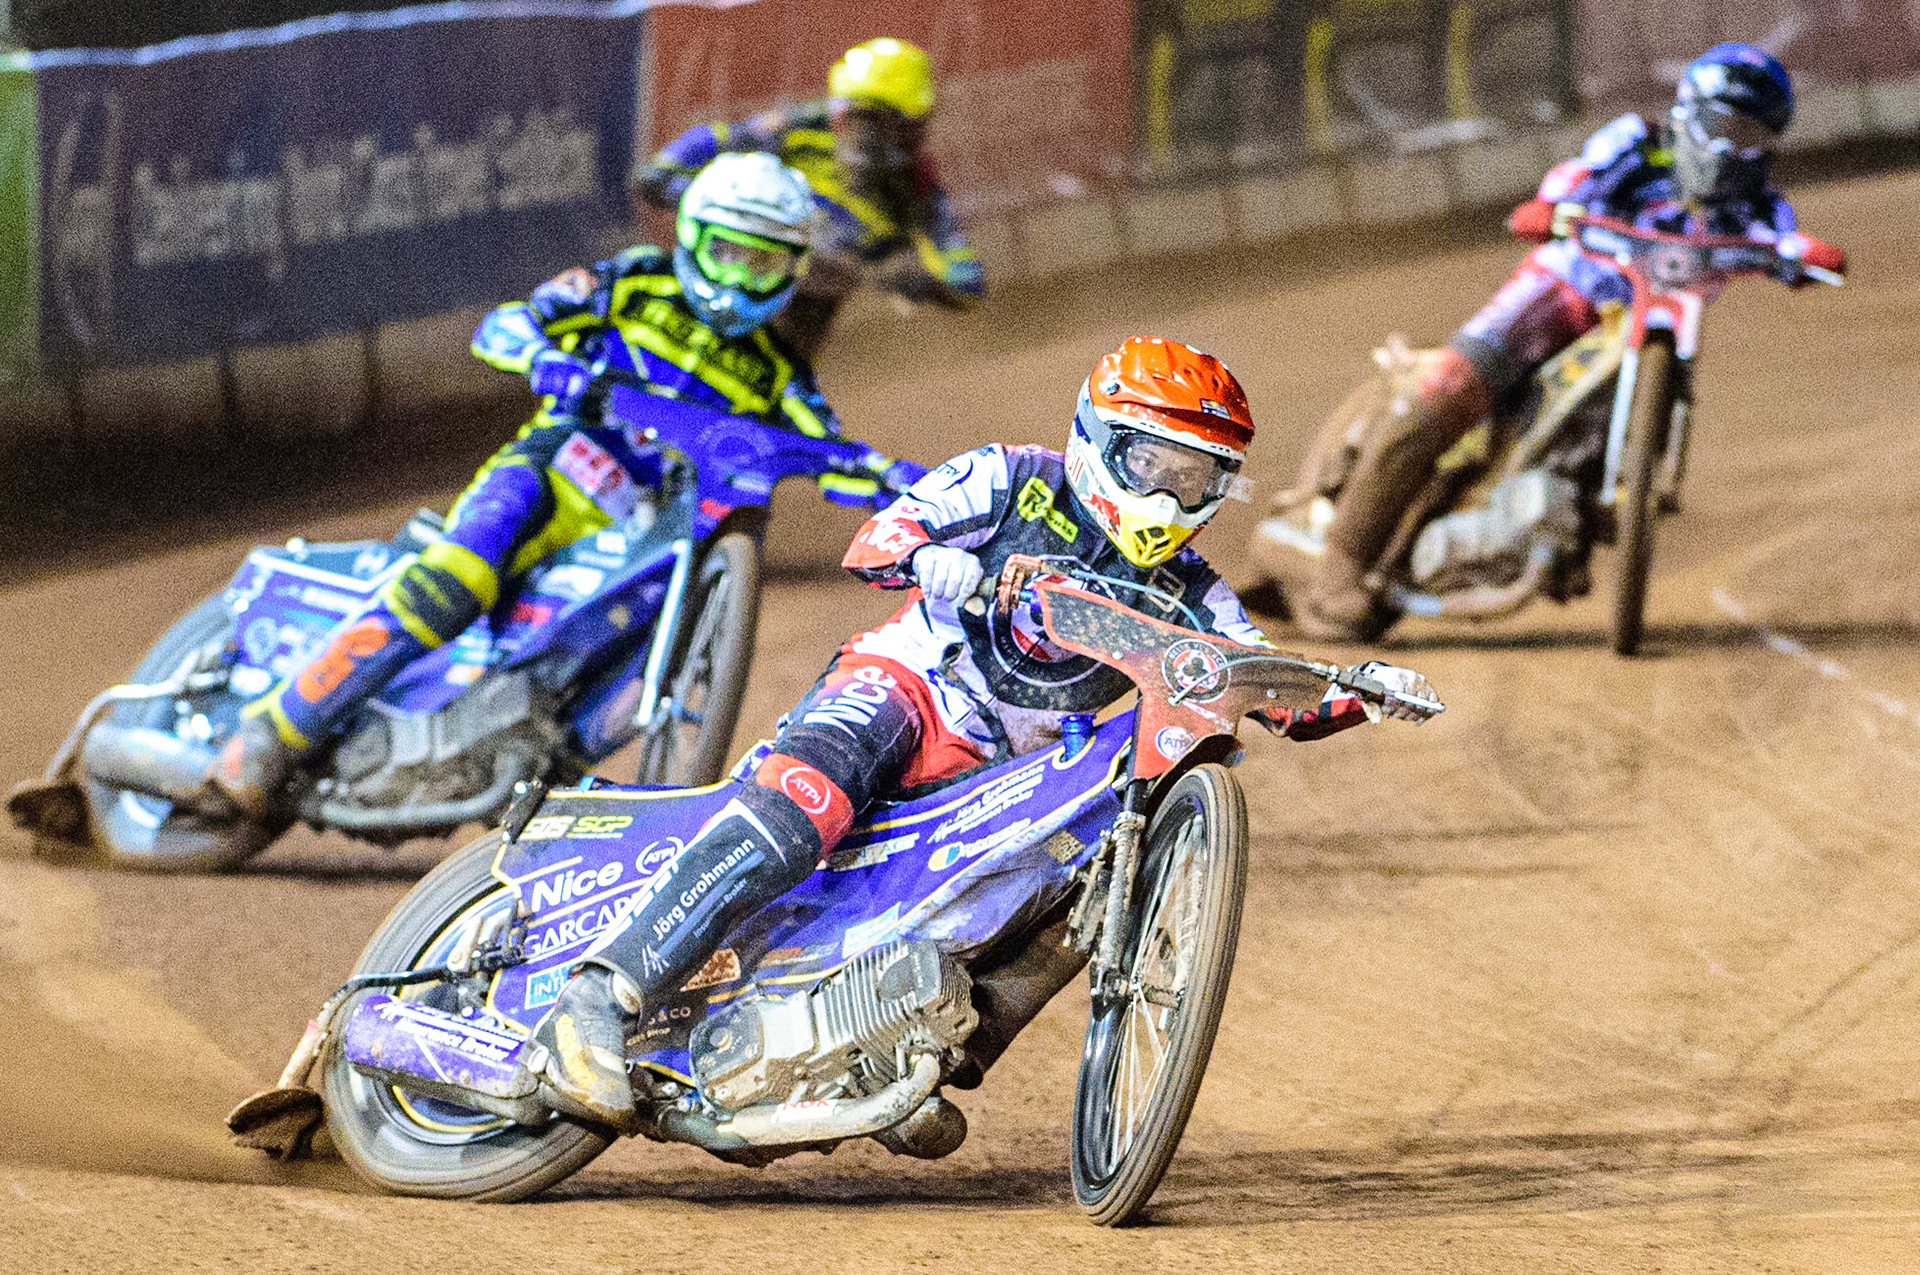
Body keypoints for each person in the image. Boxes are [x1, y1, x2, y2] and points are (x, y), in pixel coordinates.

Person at [518, 335, 1438, 1126]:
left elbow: (1263, 685)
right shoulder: (1013, 477)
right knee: (813, 799)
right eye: (1151, 465)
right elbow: (878, 538)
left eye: (1194, 476)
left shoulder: (1193, 589)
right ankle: (598, 995)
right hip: (909, 688)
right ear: (1098, 440)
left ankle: (918, 1061)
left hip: (1005, 779)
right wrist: (933, 559)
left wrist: (1360, 688)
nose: (1167, 495)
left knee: (1087, 885)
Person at [204, 153, 834, 815]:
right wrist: (544, 356)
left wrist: (892, 482)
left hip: (651, 532)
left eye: (761, 262)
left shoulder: (778, 372)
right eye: (729, 251)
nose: (739, 277)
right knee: (459, 579)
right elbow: (508, 322)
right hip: (555, 473)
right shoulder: (632, 283)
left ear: (791, 270)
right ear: (694, 237)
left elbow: (830, 442)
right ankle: (274, 729)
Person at [1287, 42, 1830, 637]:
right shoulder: (1638, 142)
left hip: (1650, 328)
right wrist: (1553, 204)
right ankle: (1339, 567)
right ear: (1687, 114)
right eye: (1720, 125)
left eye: (1750, 134)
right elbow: (1581, 172)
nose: (1731, 146)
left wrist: (1802, 258)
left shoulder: (1758, 206)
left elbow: (1786, 240)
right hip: (1563, 291)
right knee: (1448, 384)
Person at [630, 36, 983, 360]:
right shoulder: (803, 126)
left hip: (803, 313)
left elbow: (967, 281)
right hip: (731, 264)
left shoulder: (917, 193)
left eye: (880, 123)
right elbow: (718, 139)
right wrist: (674, 179)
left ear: (911, 129)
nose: (861, 135)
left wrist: (909, 279)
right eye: (854, 116)